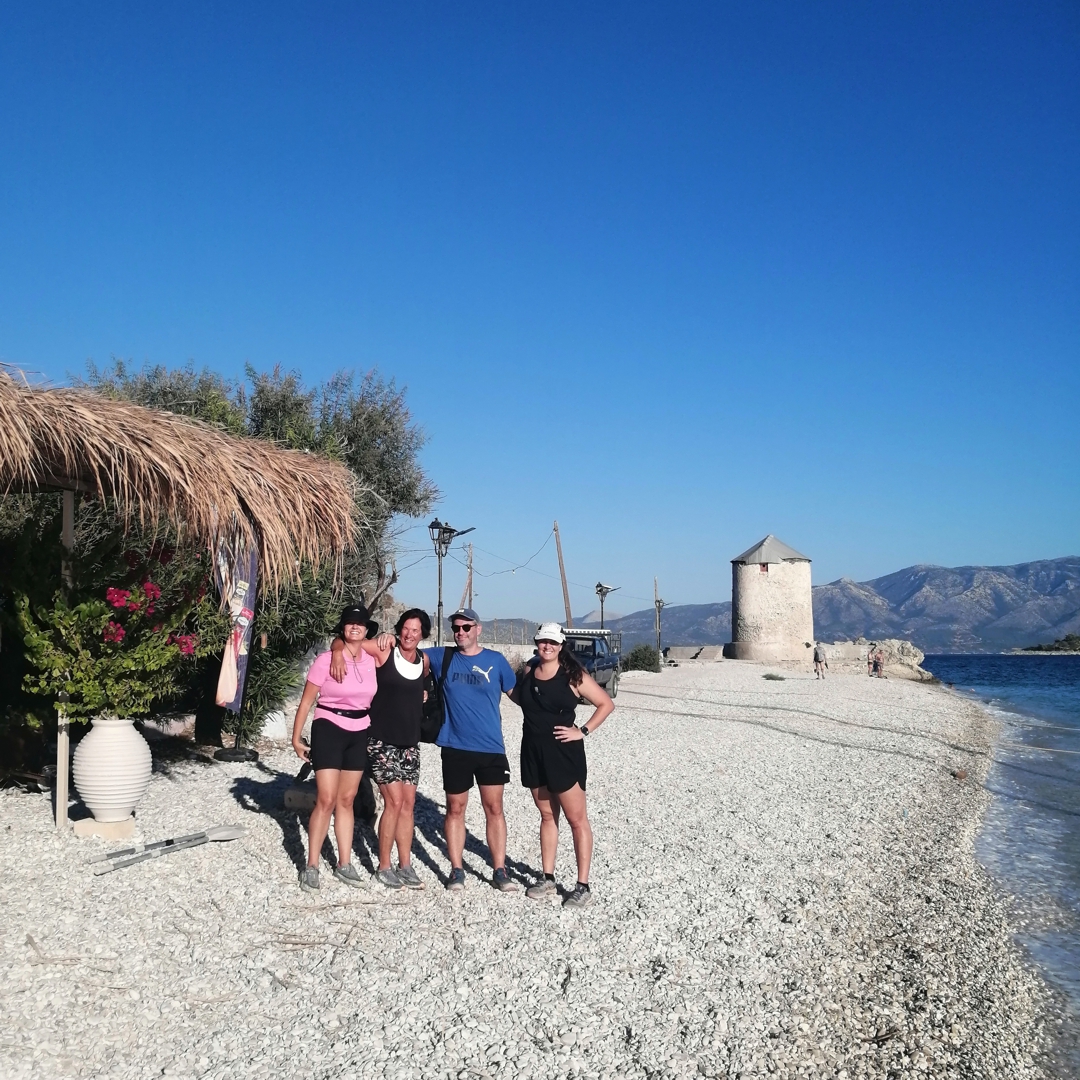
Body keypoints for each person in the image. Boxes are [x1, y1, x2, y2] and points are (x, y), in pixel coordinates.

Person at [373, 607, 518, 892]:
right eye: (456, 628)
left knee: (495, 808)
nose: (460, 632)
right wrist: (386, 637)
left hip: (491, 748)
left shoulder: (497, 661)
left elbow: (521, 697)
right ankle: (456, 869)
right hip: (454, 746)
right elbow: (409, 655)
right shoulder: (443, 657)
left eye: (466, 627)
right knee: (454, 809)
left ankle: (499, 869)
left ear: (478, 629)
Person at [513, 622, 614, 909]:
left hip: (563, 754)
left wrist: (581, 731)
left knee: (576, 819)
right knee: (547, 816)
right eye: (543, 641)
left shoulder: (573, 674)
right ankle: (548, 878)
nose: (547, 646)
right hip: (532, 751)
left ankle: (582, 886)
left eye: (553, 643)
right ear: (537, 642)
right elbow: (520, 698)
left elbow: (605, 703)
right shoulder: (529, 669)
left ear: (561, 646)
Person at [291, 604, 377, 893]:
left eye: (360, 624)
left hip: (359, 730)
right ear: (342, 628)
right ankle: (311, 865)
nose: (355, 627)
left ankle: (344, 862)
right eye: (349, 623)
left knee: (347, 798)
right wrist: (296, 737)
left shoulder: (371, 659)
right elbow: (306, 702)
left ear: (367, 630)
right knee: (326, 799)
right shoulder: (325, 660)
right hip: (329, 726)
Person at [354, 608, 430, 890]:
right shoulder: (385, 651)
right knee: (394, 802)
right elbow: (350, 644)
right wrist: (338, 653)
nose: (410, 634)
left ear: (423, 634)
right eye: (406, 628)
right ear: (399, 629)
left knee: (408, 805)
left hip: (410, 742)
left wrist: (425, 693)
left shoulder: (424, 661)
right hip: (381, 739)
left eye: (416, 630)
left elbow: (425, 684)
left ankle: (405, 864)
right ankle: (383, 866)